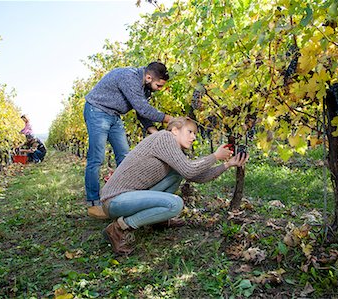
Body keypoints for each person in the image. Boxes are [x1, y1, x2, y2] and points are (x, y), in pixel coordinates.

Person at [99, 117, 248, 255]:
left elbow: (197, 176)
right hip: (115, 200)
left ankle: (157, 220)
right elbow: (190, 170)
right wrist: (215, 156)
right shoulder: (165, 138)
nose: (194, 137)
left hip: (130, 198)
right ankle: (119, 228)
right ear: (175, 131)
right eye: (190, 132)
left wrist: (228, 164)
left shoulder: (173, 150)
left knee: (177, 174)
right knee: (175, 204)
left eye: (195, 134)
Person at [84, 62, 174, 218]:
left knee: (125, 156)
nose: (160, 89)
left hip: (114, 115)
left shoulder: (145, 88)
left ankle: (121, 195)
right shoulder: (129, 77)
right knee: (97, 158)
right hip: (97, 110)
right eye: (159, 85)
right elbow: (143, 109)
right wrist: (171, 120)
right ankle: (93, 204)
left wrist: (153, 131)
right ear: (148, 77)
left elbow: (142, 114)